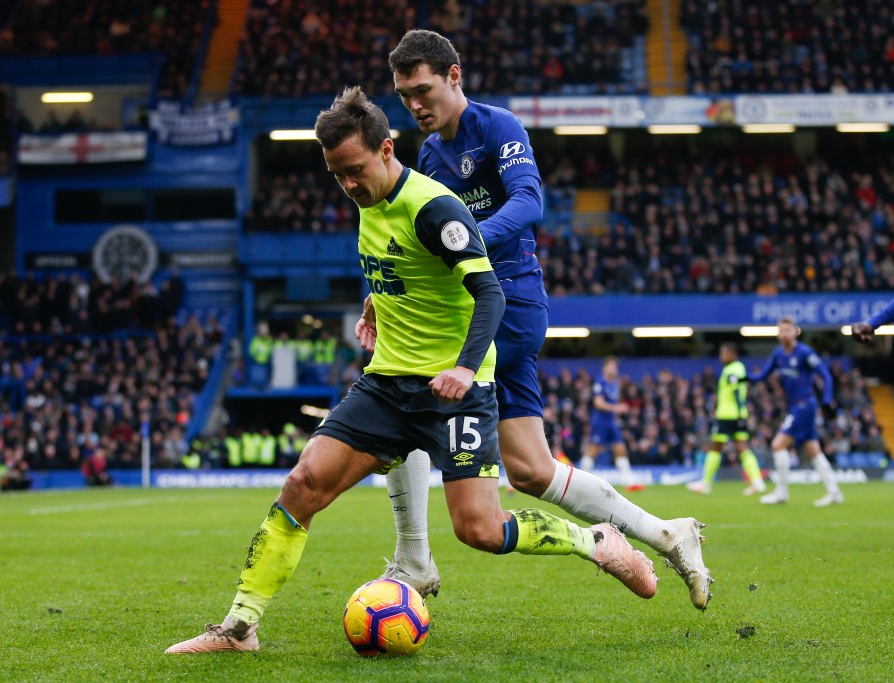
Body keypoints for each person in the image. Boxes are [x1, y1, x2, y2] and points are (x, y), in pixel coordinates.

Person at [164, 87, 658, 655]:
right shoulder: (367, 203)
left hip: (454, 392)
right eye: (336, 175)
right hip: (386, 385)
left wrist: (465, 369)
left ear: (387, 149)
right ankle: (239, 627)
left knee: (479, 530)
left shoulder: (435, 208)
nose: (348, 184)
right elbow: (401, 266)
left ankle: (594, 540)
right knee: (302, 484)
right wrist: (376, 301)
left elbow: (489, 294)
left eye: (354, 170)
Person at [357, 29, 711, 612]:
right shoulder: (426, 156)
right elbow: (412, 238)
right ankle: (666, 533)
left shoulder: (498, 128)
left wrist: (464, 244)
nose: (415, 104)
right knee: (530, 469)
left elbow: (529, 203)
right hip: (466, 309)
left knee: (410, 388)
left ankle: (414, 561)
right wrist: (386, 290)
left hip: (510, 304)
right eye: (403, 96)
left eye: (423, 90)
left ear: (453, 76)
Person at [747, 317, 843, 506]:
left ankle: (782, 493)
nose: (783, 334)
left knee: (777, 445)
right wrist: (744, 377)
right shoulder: (778, 354)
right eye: (781, 330)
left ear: (795, 332)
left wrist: (827, 399)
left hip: (805, 406)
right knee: (813, 450)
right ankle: (834, 492)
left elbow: (825, 375)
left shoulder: (805, 352)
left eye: (787, 330)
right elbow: (762, 376)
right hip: (794, 406)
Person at [686, 343, 766, 495]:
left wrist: (739, 409)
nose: (721, 357)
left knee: (716, 446)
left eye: (724, 353)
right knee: (742, 447)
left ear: (732, 354)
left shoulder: (733, 368)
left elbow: (735, 388)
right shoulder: (738, 367)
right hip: (738, 414)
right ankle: (757, 482)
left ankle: (706, 483)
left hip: (728, 415)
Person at [578, 357, 644, 492]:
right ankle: (580, 482)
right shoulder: (599, 382)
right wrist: (617, 408)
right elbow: (598, 403)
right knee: (593, 450)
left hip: (611, 422)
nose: (613, 370)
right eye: (610, 367)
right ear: (604, 368)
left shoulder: (615, 384)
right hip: (600, 422)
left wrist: (615, 414)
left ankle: (629, 482)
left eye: (615, 367)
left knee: (620, 448)